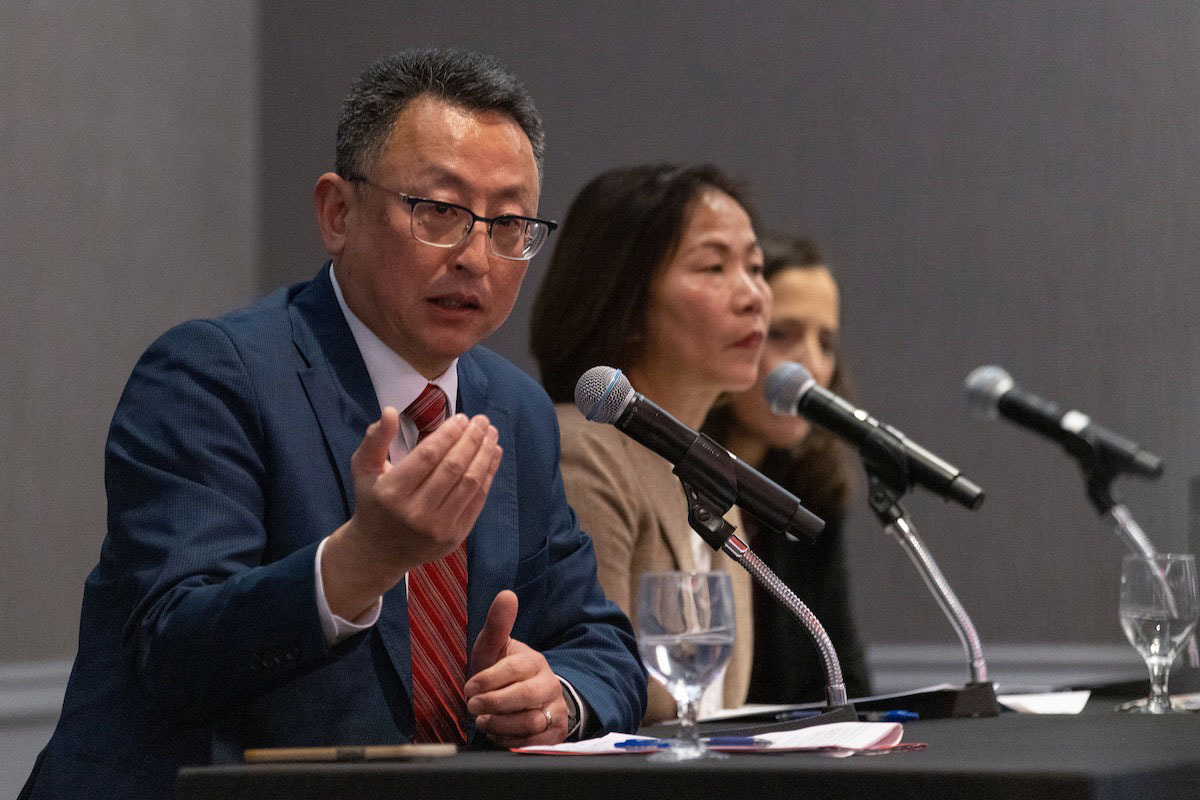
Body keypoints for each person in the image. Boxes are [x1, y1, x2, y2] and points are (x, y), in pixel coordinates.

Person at [21, 49, 645, 799]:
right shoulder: (212, 375)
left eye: (509, 224)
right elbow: (171, 650)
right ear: (338, 213)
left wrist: (558, 696)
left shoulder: (512, 409)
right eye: (440, 212)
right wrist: (363, 560)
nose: (477, 257)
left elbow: (601, 643)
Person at [530, 164, 771, 723]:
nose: (754, 295)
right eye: (714, 266)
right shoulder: (583, 453)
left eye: (756, 268)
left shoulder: (713, 478)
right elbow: (602, 683)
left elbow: (721, 704)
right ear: (628, 301)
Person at [702, 234, 871, 703]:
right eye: (783, 334)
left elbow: (847, 680)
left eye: (826, 343)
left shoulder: (811, 495)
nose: (812, 366)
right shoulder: (678, 484)